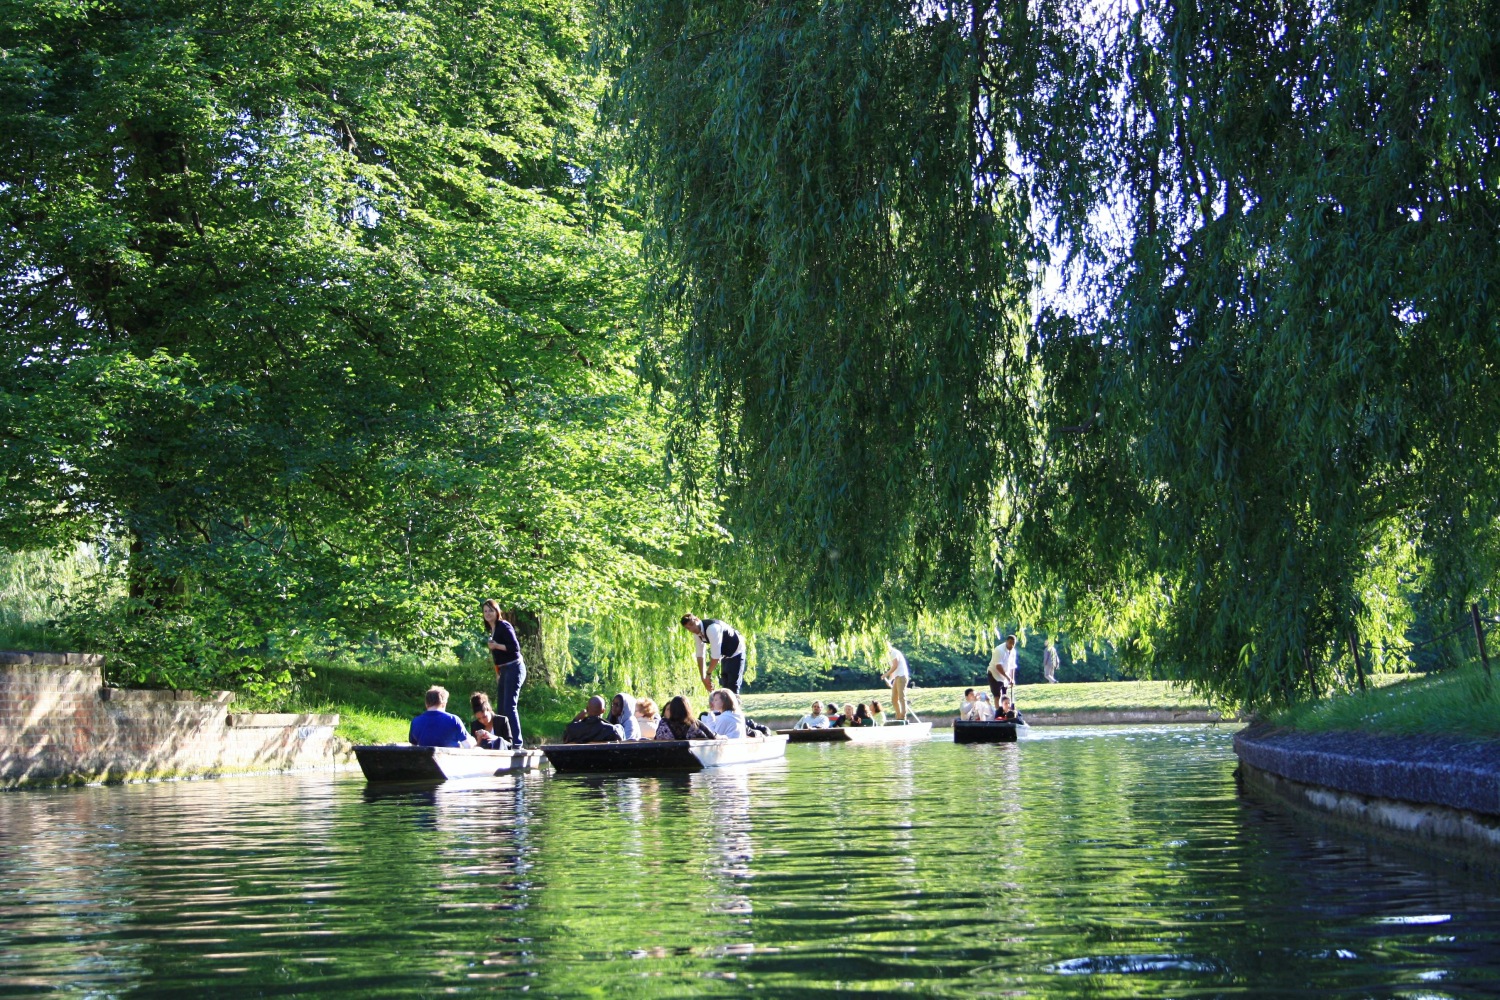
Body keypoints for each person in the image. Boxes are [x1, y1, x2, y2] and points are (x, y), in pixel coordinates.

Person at [483, 599, 527, 748]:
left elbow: (515, 648)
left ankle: (517, 743)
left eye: (491, 610)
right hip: (503, 670)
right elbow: (497, 656)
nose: (488, 614)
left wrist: (497, 646)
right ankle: (503, 742)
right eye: (485, 611)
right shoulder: (492, 629)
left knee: (509, 707)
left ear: (497, 612)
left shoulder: (504, 625)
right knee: (501, 709)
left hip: (514, 668)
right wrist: (497, 672)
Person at [681, 613, 746, 695]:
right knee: (725, 688)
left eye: (691, 624)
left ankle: (735, 707)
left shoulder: (712, 629)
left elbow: (716, 657)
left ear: (697, 619)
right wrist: (703, 678)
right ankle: (726, 707)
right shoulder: (697, 634)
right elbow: (700, 655)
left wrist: (708, 674)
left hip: (737, 651)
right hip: (725, 655)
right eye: (688, 628)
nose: (691, 629)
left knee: (733, 686)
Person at [409, 686, 476, 748]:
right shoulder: (453, 720)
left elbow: (413, 748)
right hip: (447, 760)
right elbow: (468, 746)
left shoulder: (415, 721)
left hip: (425, 760)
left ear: (426, 703)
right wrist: (474, 740)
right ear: (444, 703)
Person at [654, 695, 720, 741]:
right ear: (687, 709)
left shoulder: (663, 724)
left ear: (672, 709)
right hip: (692, 759)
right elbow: (712, 737)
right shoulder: (695, 724)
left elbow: (656, 740)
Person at [880, 643, 910, 721]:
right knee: (894, 699)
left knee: (901, 697)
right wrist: (890, 680)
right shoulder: (889, 655)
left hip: (902, 676)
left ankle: (903, 716)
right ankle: (898, 716)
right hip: (897, 677)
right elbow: (893, 670)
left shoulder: (894, 652)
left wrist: (885, 674)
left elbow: (895, 665)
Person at [988, 632, 1018, 706]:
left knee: (1004, 695)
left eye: (1013, 643)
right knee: (997, 695)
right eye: (1010, 643)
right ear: (1006, 642)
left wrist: (1012, 679)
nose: (1011, 645)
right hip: (994, 674)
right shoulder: (999, 650)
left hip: (1004, 675)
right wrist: (1008, 677)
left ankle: (1005, 712)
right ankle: (998, 713)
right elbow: (998, 666)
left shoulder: (1013, 651)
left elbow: (1012, 666)